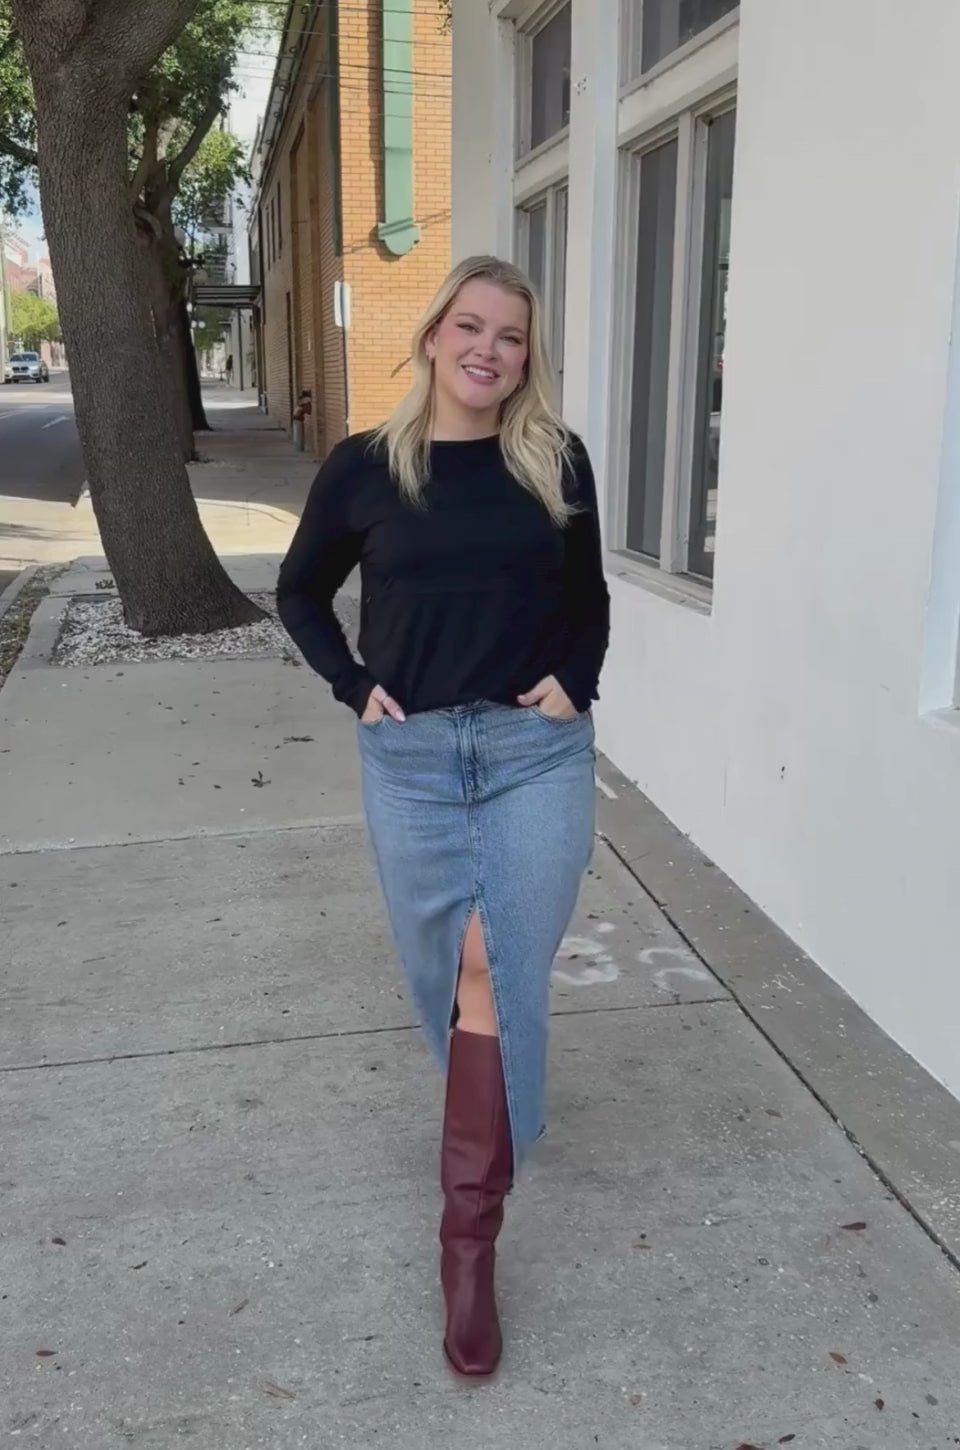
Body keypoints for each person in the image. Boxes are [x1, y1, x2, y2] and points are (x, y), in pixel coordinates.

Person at [276, 255, 610, 1377]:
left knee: (489, 961)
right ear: (430, 337)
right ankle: (499, 1119)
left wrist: (577, 676)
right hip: (412, 759)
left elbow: (589, 597)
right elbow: (298, 589)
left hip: (534, 752)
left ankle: (467, 1244)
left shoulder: (554, 460)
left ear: (528, 357)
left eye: (511, 336)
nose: (488, 349)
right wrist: (350, 680)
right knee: (450, 977)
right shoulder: (367, 468)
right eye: (470, 326)